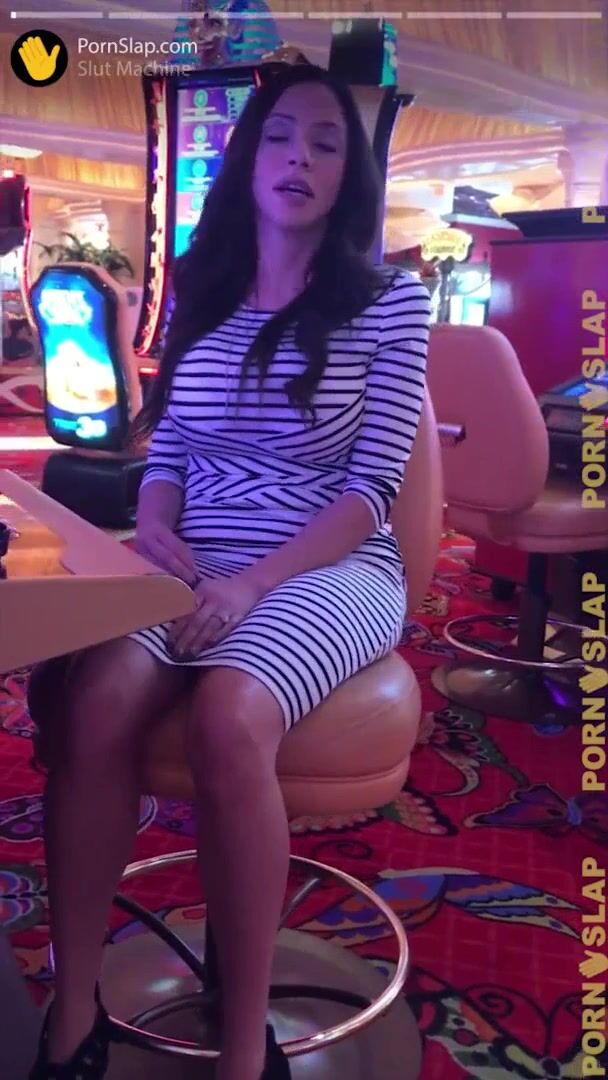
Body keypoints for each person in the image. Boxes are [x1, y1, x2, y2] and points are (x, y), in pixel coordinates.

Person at [29, 63, 431, 1080]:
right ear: (247, 158)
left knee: (229, 713)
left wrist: (252, 585)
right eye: (281, 136)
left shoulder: (391, 301)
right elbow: (168, 450)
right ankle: (72, 1011)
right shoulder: (202, 291)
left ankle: (243, 1046)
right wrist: (155, 528)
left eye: (326, 143)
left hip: (330, 559)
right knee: (95, 697)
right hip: (194, 547)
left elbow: (372, 491)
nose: (299, 157)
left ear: (348, 176)